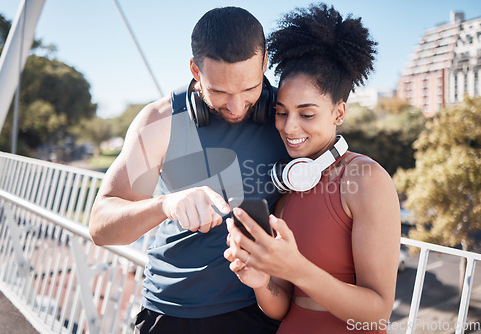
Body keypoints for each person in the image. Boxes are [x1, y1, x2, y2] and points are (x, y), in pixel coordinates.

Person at [89, 6, 288, 334]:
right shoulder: (159, 120)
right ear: (196, 70)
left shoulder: (289, 117)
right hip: (170, 311)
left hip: (257, 310)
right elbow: (100, 227)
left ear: (265, 63)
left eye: (249, 90)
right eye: (220, 92)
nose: (237, 107)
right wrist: (164, 205)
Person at [224, 3, 401, 333]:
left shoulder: (366, 180)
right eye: (281, 112)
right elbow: (280, 306)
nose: (290, 127)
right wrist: (261, 281)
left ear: (338, 113)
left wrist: (297, 267)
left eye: (306, 114)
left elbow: (377, 314)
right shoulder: (289, 188)